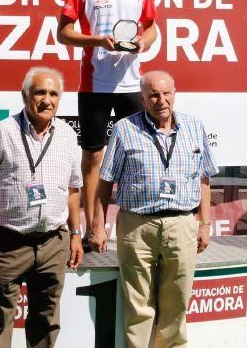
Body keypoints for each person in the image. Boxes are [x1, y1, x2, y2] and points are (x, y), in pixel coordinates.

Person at [90, 71, 215, 348]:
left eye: (166, 93)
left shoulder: (195, 127)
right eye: (153, 95)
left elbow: (205, 178)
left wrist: (205, 224)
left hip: (182, 224)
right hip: (137, 226)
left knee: (177, 303)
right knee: (138, 305)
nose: (161, 100)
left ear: (174, 93)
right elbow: (106, 181)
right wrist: (98, 225)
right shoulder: (124, 129)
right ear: (142, 99)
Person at [57, 0, 158, 247]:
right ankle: (94, 226)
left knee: (136, 154)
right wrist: (97, 41)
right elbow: (64, 34)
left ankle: (134, 223)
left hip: (132, 84)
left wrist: (144, 42)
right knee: (94, 157)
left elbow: (152, 27)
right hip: (95, 85)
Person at [0, 67, 84, 348]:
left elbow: (72, 189)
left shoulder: (68, 135)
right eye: (40, 92)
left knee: (46, 321)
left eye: (53, 93)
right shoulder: (0, 133)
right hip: (8, 243)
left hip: (54, 242)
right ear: (25, 96)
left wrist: (76, 233)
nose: (47, 100)